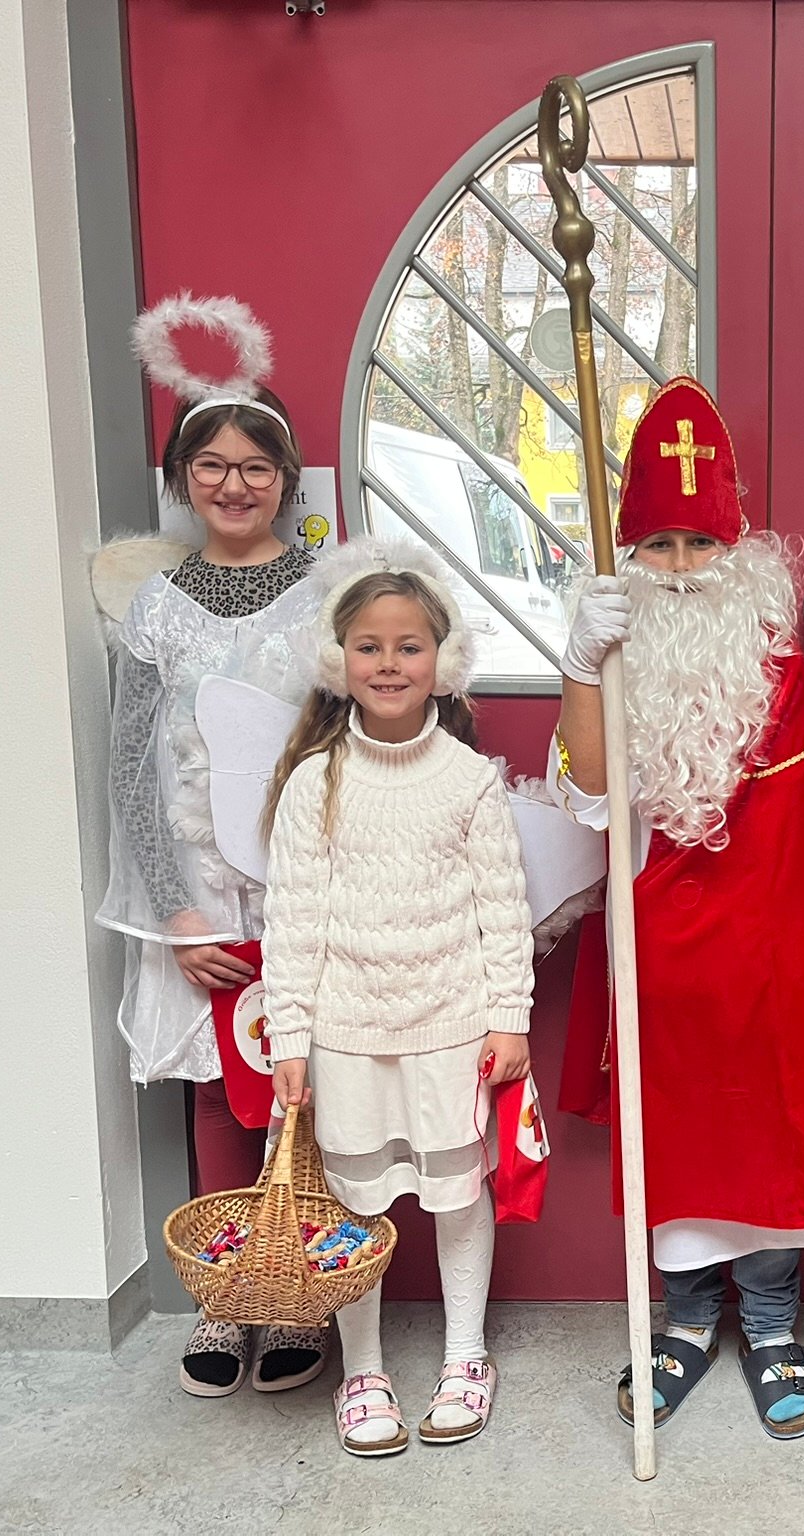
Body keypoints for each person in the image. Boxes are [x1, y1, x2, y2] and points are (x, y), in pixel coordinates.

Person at [551, 377, 804, 1441]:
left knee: (766, 1134)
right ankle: (686, 1323)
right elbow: (594, 794)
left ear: (735, 554)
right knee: (675, 1137)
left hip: (764, 951)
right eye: (658, 545)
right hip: (655, 947)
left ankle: (770, 1327)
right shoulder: (611, 651)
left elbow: (782, 838)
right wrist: (581, 668)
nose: (680, 567)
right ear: (629, 556)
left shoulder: (775, 668)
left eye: (698, 543)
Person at [93, 294, 326, 1397]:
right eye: (212, 466)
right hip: (197, 892)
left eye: (256, 466)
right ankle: (228, 1298)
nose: (235, 485)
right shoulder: (157, 608)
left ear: (285, 477)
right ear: (184, 479)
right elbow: (131, 765)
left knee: (304, 1086)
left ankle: (301, 1292)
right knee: (218, 1091)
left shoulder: (327, 594)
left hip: (302, 888)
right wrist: (175, 914)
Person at [260, 539, 535, 1458]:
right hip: (344, 1036)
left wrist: (510, 1017)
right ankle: (365, 1369)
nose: (388, 664)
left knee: (457, 1194)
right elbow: (292, 919)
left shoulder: (467, 779)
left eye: (408, 646)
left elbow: (503, 907)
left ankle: (465, 1357)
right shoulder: (315, 781)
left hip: (451, 1028)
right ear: (338, 659)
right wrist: (290, 1037)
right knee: (353, 1206)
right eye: (369, 647)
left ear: (440, 661)